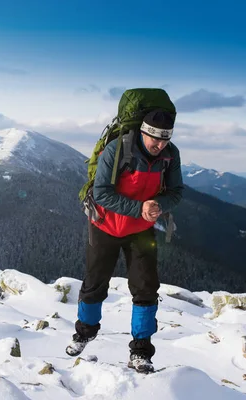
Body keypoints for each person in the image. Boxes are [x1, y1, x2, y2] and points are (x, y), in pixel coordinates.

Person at [66, 108, 184, 373]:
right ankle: (85, 332)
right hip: (105, 225)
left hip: (140, 230)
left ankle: (141, 350)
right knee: (95, 282)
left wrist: (159, 204)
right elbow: (102, 193)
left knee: (145, 287)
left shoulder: (170, 155)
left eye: (165, 139)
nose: (159, 145)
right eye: (155, 139)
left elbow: (176, 192)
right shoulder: (118, 150)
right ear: (143, 132)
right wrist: (139, 208)